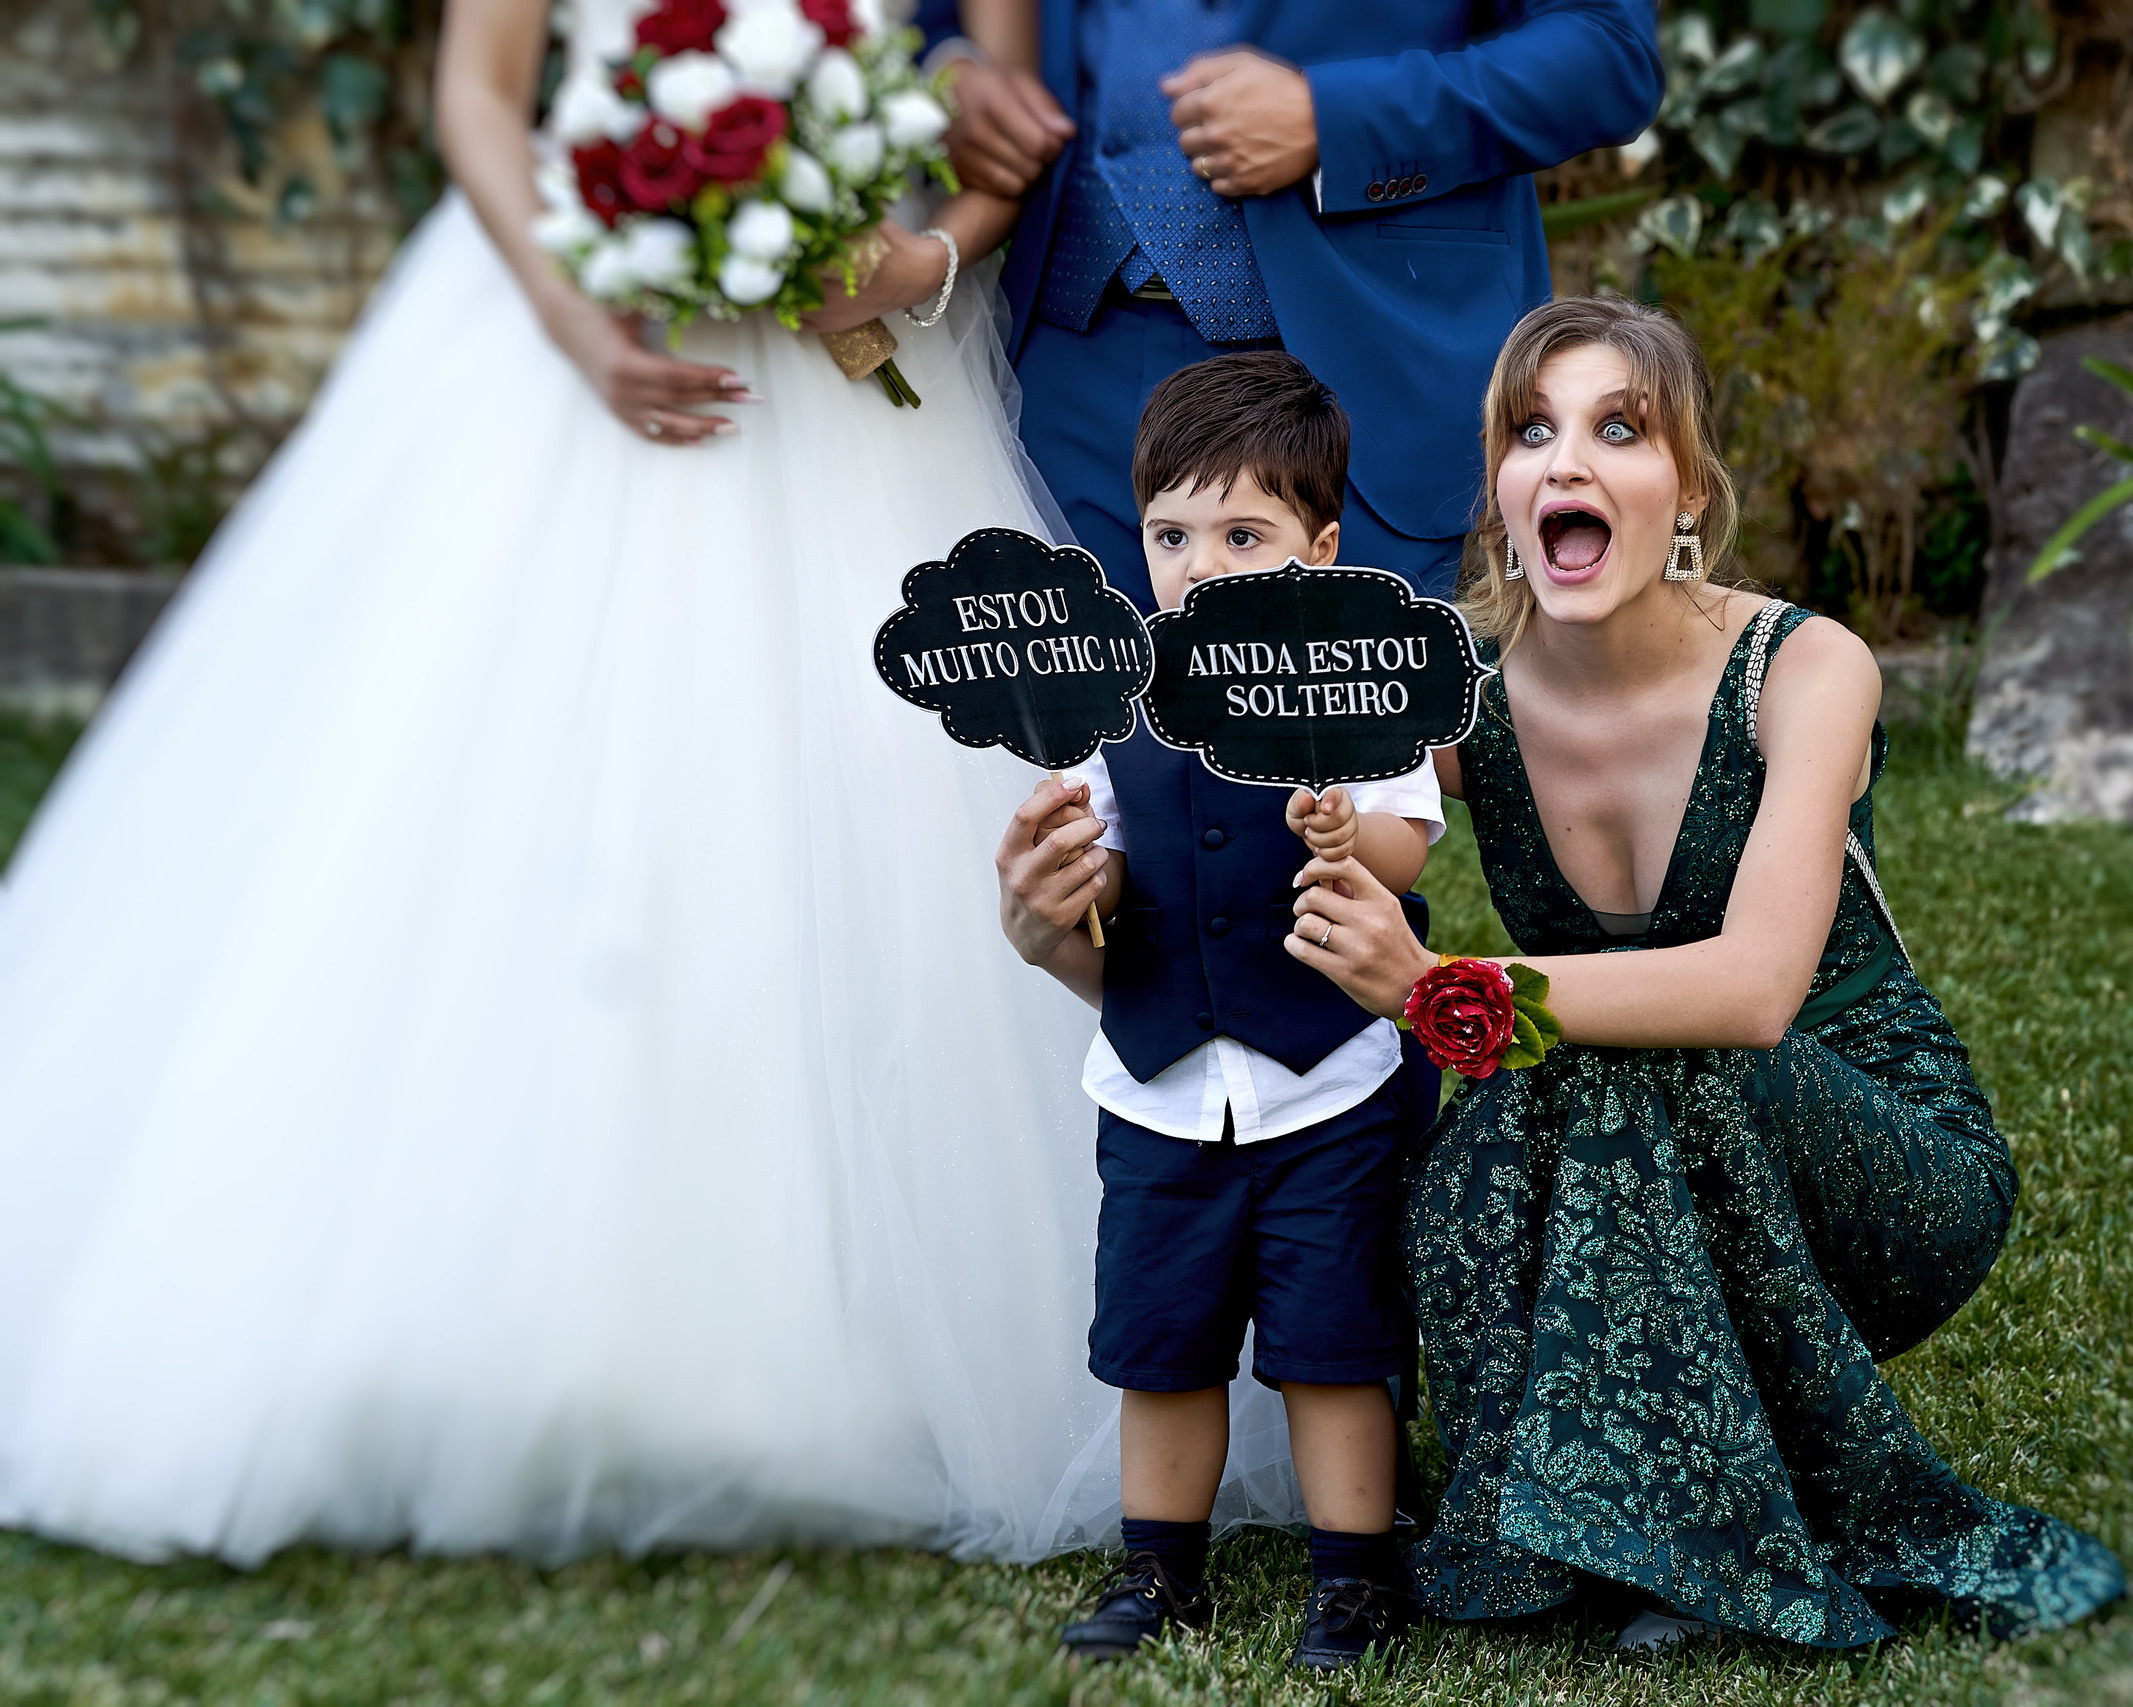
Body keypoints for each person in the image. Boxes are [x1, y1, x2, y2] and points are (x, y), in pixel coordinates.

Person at [0, 0, 1294, 1566]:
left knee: (874, 824)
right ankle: (470, 1315)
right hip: (565, 344)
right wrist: (569, 314)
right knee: (493, 797)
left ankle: (863, 1346)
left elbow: (1006, 121)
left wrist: (922, 263)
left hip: (842, 382)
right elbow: (481, 95)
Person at [1281, 298, 2130, 1651]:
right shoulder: (1463, 687)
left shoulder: (1805, 665)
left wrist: (1445, 987)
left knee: (1636, 1048)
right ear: (1499, 488)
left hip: (1873, 1153)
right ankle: (1572, 1529)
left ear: (1687, 486)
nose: (1567, 462)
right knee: (1502, 1122)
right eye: (1531, 430)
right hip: (1643, 1150)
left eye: (1619, 427)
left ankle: (1698, 1544)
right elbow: (1286, 774)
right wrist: (1084, 890)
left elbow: (1748, 992)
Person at [995, 352, 1440, 1672]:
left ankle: (1352, 1573)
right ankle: (1160, 1568)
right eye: (1173, 534)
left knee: (1334, 1340)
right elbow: (1114, 870)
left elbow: (1411, 834)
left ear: (1321, 545)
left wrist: (1341, 825)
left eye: (1242, 533)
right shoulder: (1111, 701)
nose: (1200, 563)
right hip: (1160, 1085)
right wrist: (1077, 872)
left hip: (1330, 1080)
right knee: (1162, 1340)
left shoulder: (1360, 677)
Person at [917, 0, 1661, 606]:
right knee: (1073, 766)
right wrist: (952, 75)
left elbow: (1607, 51)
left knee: (1325, 769)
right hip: (1065, 360)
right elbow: (943, 21)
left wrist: (1333, 118)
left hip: (1356, 365)